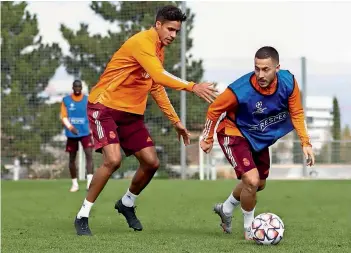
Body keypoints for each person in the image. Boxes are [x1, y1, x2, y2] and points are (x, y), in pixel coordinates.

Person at [74, 5, 217, 236]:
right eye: (170, 29)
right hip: (105, 107)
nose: (173, 35)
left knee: (151, 162)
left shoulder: (159, 49)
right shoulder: (142, 42)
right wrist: (192, 86)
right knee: (113, 160)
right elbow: (160, 76)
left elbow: (156, 86)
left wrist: (176, 121)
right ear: (158, 24)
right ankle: (82, 215)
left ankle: (127, 203)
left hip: (131, 114)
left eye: (177, 32)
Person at [200, 46, 315, 240]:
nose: (260, 74)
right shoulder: (240, 89)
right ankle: (250, 230)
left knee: (258, 184)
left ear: (277, 68)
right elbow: (214, 109)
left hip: (258, 138)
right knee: (251, 181)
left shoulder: (288, 82)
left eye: (266, 69)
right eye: (257, 68)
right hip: (233, 132)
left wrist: (306, 142)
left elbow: (296, 112)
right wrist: (208, 136)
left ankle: (226, 209)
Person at [60, 80, 94, 192]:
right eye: (76, 86)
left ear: (81, 88)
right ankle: (75, 184)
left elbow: (92, 114)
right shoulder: (66, 100)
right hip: (72, 133)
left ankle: (89, 182)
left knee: (89, 155)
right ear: (73, 87)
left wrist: (92, 128)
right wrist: (71, 127)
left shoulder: (87, 99)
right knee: (72, 158)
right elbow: (63, 116)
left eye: (79, 86)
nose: (78, 88)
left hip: (85, 132)